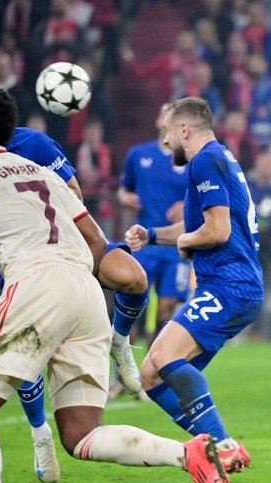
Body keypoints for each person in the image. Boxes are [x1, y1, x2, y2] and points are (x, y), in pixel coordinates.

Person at [0, 84, 231, 483]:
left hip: (35, 283)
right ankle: (187, 452)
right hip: (85, 290)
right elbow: (98, 246)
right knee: (81, 434)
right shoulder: (43, 173)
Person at [0, 66, 147, 483]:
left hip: (65, 243)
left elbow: (73, 194)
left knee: (133, 276)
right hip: (18, 258)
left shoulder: (33, 143)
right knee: (26, 358)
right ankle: (40, 432)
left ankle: (121, 345)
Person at [125, 97, 263, 475]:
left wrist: (187, 243)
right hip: (230, 285)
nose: (165, 141)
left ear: (184, 129)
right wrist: (151, 235)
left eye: (168, 131)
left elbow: (216, 231)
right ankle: (215, 450)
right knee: (151, 375)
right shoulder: (217, 159)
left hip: (229, 284)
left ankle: (222, 443)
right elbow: (193, 229)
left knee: (166, 357)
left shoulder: (205, 160)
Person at [118, 104, 191, 345]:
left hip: (175, 247)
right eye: (165, 115)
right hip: (143, 244)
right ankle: (124, 369)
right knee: (134, 308)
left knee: (166, 309)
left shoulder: (189, 160)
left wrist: (186, 204)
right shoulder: (138, 155)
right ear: (159, 121)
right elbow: (123, 190)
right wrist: (125, 198)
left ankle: (154, 366)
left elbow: (202, 196)